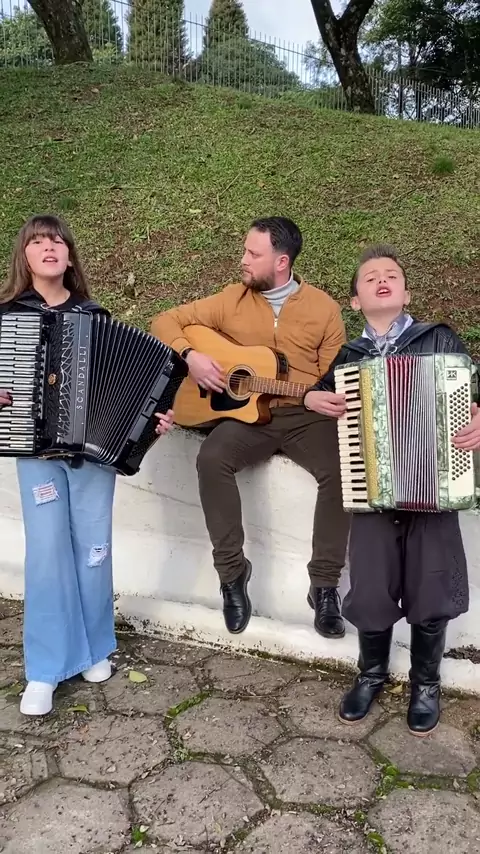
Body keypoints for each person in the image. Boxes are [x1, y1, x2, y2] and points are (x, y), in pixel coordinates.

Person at [0, 214, 174, 717]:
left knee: (94, 550)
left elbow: (128, 390)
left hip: (92, 457)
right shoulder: (8, 316)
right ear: (25, 256)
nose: (49, 247)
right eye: (38, 241)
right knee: (46, 553)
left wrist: (151, 424)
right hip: (34, 451)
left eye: (58, 241)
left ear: (70, 256)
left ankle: (96, 647)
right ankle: (44, 669)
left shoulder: (94, 317)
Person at [304, 243, 480, 736]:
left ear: (405, 293)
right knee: (371, 587)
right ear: (355, 300)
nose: (382, 280)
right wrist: (314, 397)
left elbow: (475, 392)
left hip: (435, 486)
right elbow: (321, 394)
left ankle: (427, 683)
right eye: (371, 277)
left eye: (392, 275)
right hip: (372, 490)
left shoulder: (439, 338)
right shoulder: (349, 356)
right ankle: (371, 674)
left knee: (432, 585)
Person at [151, 216, 350, 638]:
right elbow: (164, 321)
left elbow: (334, 376)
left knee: (342, 471)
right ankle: (232, 574)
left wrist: (316, 394)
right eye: (245, 250)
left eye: (252, 254)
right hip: (247, 416)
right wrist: (191, 356)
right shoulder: (231, 299)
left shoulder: (324, 308)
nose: (243, 259)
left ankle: (324, 585)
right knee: (211, 459)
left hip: (305, 416)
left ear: (281, 262)